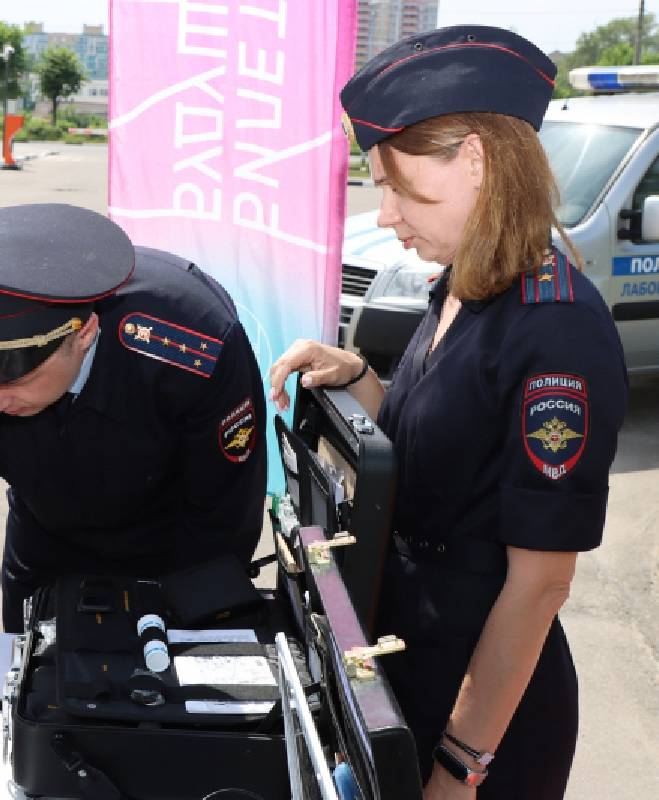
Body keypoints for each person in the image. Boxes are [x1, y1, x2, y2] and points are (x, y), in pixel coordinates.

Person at [268, 26, 628, 799]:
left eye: (402, 188)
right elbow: (436, 452)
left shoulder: (554, 328)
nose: (389, 214)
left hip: (482, 715)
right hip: (408, 666)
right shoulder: (464, 283)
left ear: (477, 160)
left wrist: (461, 768)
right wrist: (362, 375)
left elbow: (539, 586)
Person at [0, 203, 268, 691]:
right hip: (44, 551)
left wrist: (182, 630)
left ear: (83, 334)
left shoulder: (192, 343)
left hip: (172, 552)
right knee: (41, 704)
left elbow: (220, 514)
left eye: (16, 380)